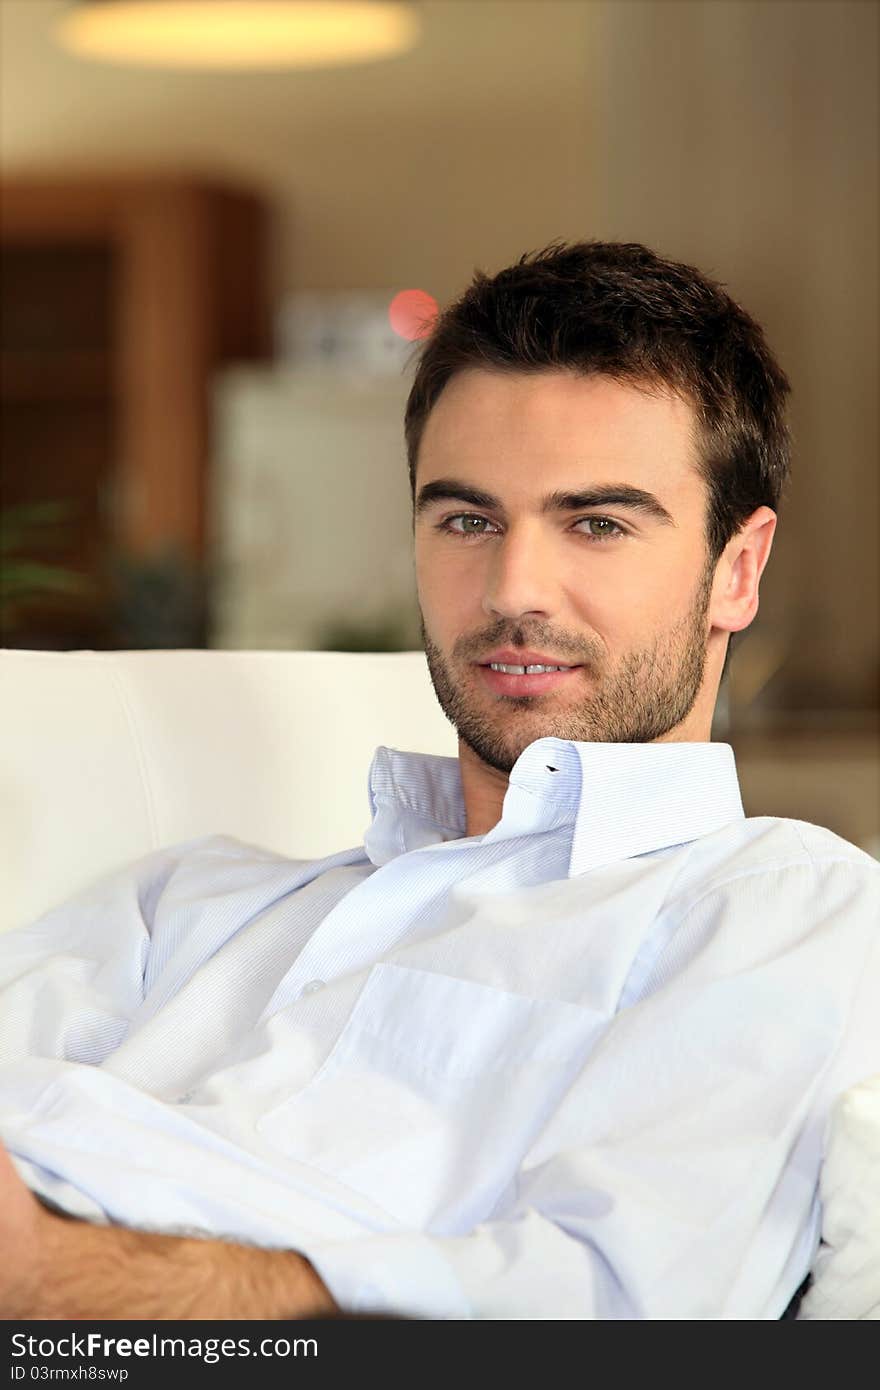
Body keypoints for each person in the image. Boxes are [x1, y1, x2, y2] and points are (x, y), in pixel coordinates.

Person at [1, 240, 877, 1321]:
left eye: (595, 523)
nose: (512, 588)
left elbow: (605, 1307)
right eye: (466, 519)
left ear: (735, 569)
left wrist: (62, 1279)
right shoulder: (184, 904)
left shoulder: (781, 911)